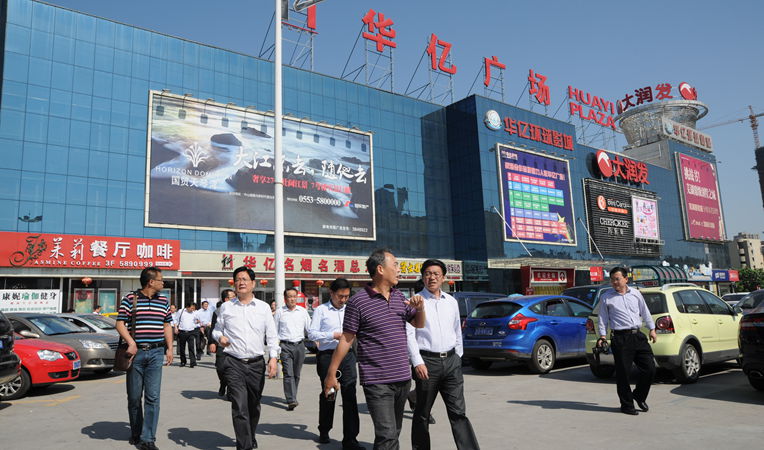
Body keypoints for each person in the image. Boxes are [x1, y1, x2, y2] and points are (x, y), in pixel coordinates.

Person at [324, 248, 425, 450]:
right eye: (395, 265)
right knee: (387, 435)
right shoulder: (358, 302)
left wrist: (420, 308)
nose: (399, 269)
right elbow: (346, 339)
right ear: (380, 269)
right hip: (377, 381)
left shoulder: (399, 297)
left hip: (403, 379)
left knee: (393, 433)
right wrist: (331, 373)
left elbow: (418, 324)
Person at [406, 259, 479, 450]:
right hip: (427, 363)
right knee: (422, 414)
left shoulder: (451, 302)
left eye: (436, 274)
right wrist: (417, 362)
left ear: (443, 278)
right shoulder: (415, 302)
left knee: (458, 413)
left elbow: (456, 330)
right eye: (428, 273)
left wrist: (458, 356)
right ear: (423, 277)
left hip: (452, 362)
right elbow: (409, 334)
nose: (432, 277)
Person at [213, 266, 279, 450]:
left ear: (253, 284)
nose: (241, 282)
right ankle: (244, 445)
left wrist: (273, 358)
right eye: (237, 279)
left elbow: (272, 335)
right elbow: (217, 330)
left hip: (256, 364)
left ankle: (250, 434)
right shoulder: (226, 307)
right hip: (233, 362)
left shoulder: (263, 308)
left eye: (244, 279)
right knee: (239, 406)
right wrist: (220, 338)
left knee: (253, 405)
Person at [115, 267, 173, 450]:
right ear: (151, 282)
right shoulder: (130, 299)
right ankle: (136, 431)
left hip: (156, 353)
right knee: (134, 397)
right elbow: (120, 323)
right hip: (136, 354)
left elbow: (167, 326)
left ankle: (148, 438)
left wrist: (170, 348)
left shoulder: (163, 301)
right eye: (161, 280)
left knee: (152, 397)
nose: (163, 283)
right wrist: (131, 342)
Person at [307, 278, 362, 449]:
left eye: (346, 296)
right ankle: (324, 429)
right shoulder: (321, 310)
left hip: (348, 356)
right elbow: (312, 334)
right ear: (331, 293)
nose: (343, 300)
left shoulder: (352, 309)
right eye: (340, 296)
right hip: (327, 356)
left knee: (350, 395)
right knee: (330, 393)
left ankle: (350, 438)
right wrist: (333, 335)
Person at [597, 266, 657, 416]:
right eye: (612, 280)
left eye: (617, 279)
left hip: (638, 336)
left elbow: (645, 311)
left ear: (626, 279)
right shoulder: (606, 297)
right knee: (623, 373)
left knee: (650, 368)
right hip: (620, 338)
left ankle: (639, 396)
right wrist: (602, 336)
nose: (614, 282)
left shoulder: (636, 293)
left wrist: (652, 328)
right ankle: (627, 405)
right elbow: (603, 318)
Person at [274, 287, 311, 410]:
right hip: (285, 346)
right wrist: (274, 350)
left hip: (300, 345)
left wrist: (317, 340)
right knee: (288, 373)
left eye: (294, 296)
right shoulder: (280, 312)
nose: (292, 299)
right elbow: (274, 331)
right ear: (285, 298)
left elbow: (309, 328)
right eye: (289, 297)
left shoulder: (303, 311)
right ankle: (291, 400)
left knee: (296, 374)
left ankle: (292, 395)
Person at [210, 289, 236, 397]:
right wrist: (212, 342)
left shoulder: (238, 310)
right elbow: (213, 327)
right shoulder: (217, 311)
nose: (235, 298)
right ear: (226, 299)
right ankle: (223, 382)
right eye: (232, 297)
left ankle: (230, 391)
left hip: (234, 345)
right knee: (220, 367)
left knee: (232, 369)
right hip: (221, 344)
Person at [176, 303, 199, 368]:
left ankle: (193, 362)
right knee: (182, 348)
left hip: (191, 332)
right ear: (187, 307)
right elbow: (176, 320)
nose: (192, 309)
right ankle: (183, 361)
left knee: (191, 347)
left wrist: (197, 322)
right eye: (191, 308)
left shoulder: (194, 313)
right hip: (182, 332)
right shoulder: (181, 311)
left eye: (193, 308)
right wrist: (175, 328)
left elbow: (196, 321)